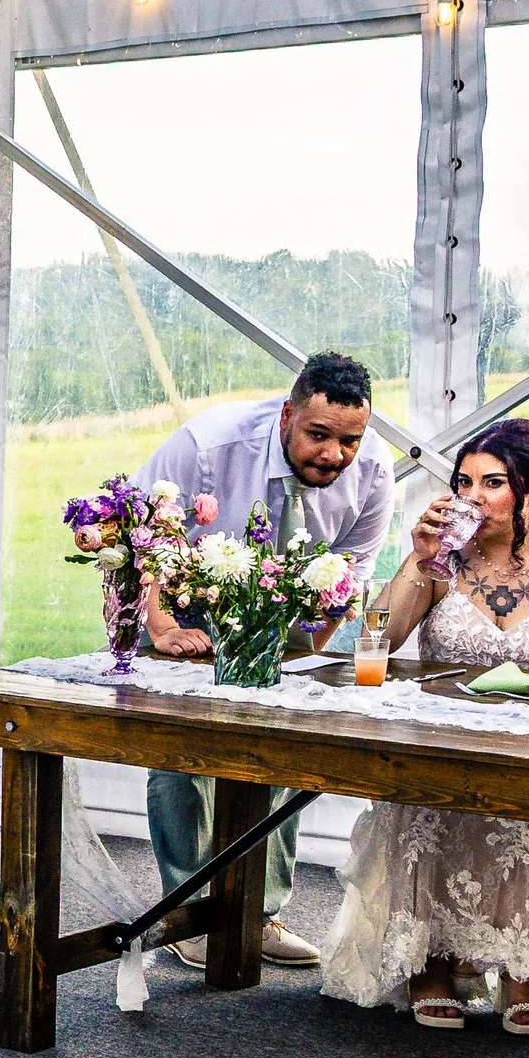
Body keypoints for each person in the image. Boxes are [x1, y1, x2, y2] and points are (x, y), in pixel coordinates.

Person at [325, 418, 529, 1032]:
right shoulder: (439, 565)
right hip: (437, 745)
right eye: (464, 481)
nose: (472, 495)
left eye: (492, 482)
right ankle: (432, 961)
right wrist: (418, 562)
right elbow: (376, 642)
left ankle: (526, 967)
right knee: (430, 802)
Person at [133, 353, 394, 974]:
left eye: (349, 440)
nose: (334, 454)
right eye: (319, 435)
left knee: (278, 753)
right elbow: (140, 534)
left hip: (286, 610)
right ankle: (188, 911)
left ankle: (259, 910)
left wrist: (308, 647)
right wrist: (164, 627)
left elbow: (350, 573)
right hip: (184, 600)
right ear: (287, 416)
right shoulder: (205, 446)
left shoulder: (376, 471)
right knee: (181, 758)